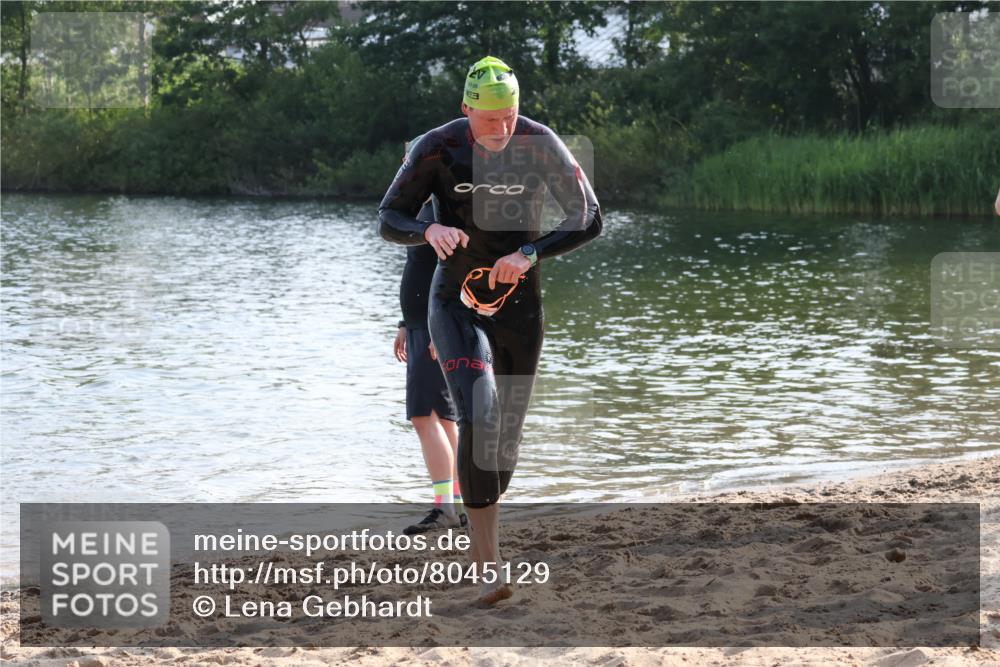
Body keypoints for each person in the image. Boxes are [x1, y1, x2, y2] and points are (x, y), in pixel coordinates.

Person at [378, 56, 602, 604]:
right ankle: (489, 568)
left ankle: (484, 539)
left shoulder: (541, 144)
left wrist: (529, 252)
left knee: (503, 444)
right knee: (477, 415)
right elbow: (389, 218)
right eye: (488, 118)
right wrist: (427, 229)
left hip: (520, 308)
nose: (501, 128)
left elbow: (588, 217)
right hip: (454, 304)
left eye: (510, 115)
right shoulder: (437, 148)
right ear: (466, 109)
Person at [394, 136, 466, 535]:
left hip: (436, 325)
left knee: (425, 418)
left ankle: (446, 509)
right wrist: (405, 322)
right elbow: (419, 273)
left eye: (411, 160)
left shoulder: (441, 208)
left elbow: (452, 272)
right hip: (423, 324)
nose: (405, 167)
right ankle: (459, 503)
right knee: (443, 418)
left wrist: (442, 330)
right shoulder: (421, 208)